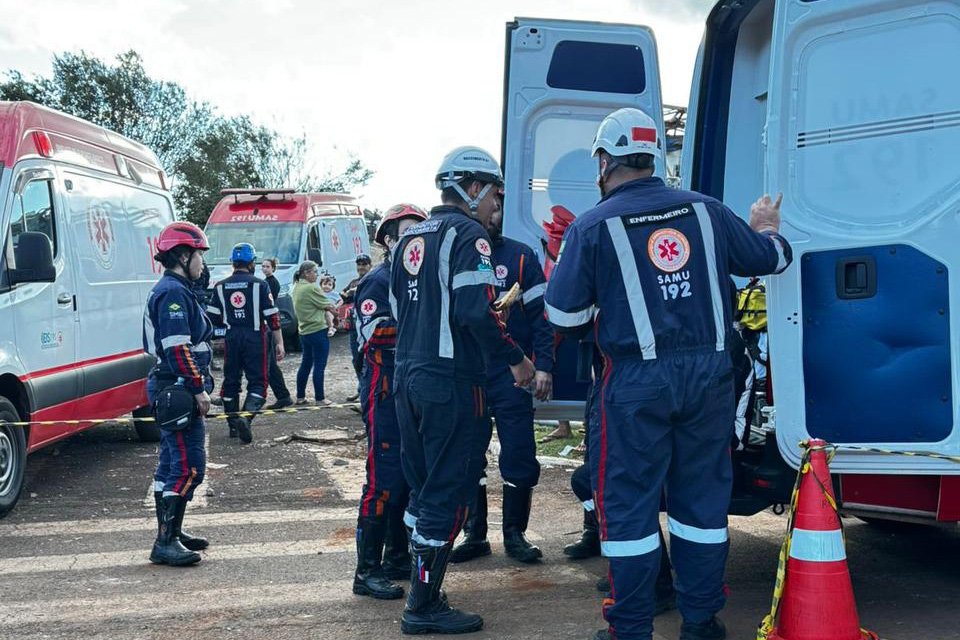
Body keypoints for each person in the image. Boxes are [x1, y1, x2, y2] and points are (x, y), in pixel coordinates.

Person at [544, 107, 792, 640]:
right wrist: (767, 229)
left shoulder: (591, 226)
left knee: (629, 507)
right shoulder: (707, 210)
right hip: (710, 379)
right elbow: (771, 259)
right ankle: (701, 623)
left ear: (605, 161)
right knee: (700, 503)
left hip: (634, 383)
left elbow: (563, 317)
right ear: (656, 156)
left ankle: (631, 627)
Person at [391, 146, 535, 635]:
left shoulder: (408, 239)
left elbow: (399, 312)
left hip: (406, 376)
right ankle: (423, 605)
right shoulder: (469, 234)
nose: (498, 205)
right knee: (448, 490)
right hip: (450, 382)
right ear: (472, 188)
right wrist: (515, 358)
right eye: (495, 193)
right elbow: (475, 312)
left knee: (422, 486)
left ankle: (421, 584)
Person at [451, 205, 554, 565]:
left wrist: (543, 366)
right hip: (468, 373)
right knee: (467, 456)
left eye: (497, 212)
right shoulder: (458, 252)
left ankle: (515, 534)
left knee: (520, 452)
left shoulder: (521, 256)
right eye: (487, 211)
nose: (490, 217)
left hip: (513, 373)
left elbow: (543, 318)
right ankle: (474, 534)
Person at [351, 204, 428, 601]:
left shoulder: (415, 279)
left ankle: (397, 557)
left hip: (408, 391)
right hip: (383, 391)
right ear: (388, 239)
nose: (415, 239)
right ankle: (366, 570)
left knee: (405, 480)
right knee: (382, 482)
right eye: (407, 231)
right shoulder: (378, 281)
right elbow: (374, 334)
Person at [142, 221, 214, 567]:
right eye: (199, 255)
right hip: (178, 387)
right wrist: (198, 388)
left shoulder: (176, 289)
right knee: (189, 467)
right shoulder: (172, 293)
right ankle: (165, 541)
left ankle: (171, 532)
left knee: (170, 464)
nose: (202, 262)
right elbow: (178, 347)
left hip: (171, 385)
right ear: (183, 255)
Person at [207, 243, 285, 444]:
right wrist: (279, 343)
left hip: (232, 337)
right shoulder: (260, 284)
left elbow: (212, 318)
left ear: (233, 263)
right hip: (256, 337)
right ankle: (246, 417)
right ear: (252, 263)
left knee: (231, 381)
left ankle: (233, 425)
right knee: (258, 381)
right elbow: (272, 317)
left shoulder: (220, 286)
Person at [291, 260, 336, 406]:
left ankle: (300, 396)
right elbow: (329, 306)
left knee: (306, 363)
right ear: (307, 273)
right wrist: (335, 311)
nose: (317, 275)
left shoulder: (296, 287)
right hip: (317, 330)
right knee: (319, 365)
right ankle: (320, 398)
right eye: (315, 272)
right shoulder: (312, 288)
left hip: (304, 331)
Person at [261, 257, 293, 410]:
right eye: (263, 266)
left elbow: (269, 304)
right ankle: (282, 396)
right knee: (271, 365)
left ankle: (282, 396)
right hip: (267, 323)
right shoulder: (265, 282)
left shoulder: (271, 283)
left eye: (267, 266)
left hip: (268, 323)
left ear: (273, 268)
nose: (265, 268)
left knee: (271, 365)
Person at [343, 253, 373, 402]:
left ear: (370, 265)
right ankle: (362, 388)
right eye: (359, 264)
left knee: (368, 359)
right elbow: (343, 296)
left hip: (368, 326)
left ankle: (366, 392)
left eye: (364, 264)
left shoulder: (374, 280)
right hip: (354, 327)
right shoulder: (353, 282)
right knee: (357, 360)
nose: (361, 267)